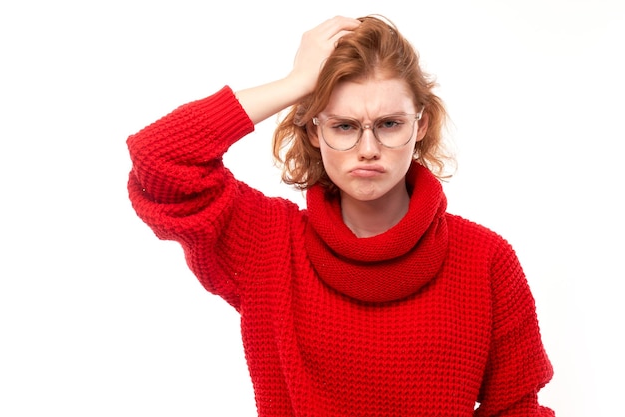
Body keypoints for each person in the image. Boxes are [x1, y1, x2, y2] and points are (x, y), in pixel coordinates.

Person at [127, 14, 555, 416]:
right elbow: (159, 158)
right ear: (314, 130)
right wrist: (296, 83)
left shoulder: (486, 260)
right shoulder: (268, 245)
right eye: (344, 126)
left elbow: (517, 409)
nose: (368, 148)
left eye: (389, 124)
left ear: (420, 127)